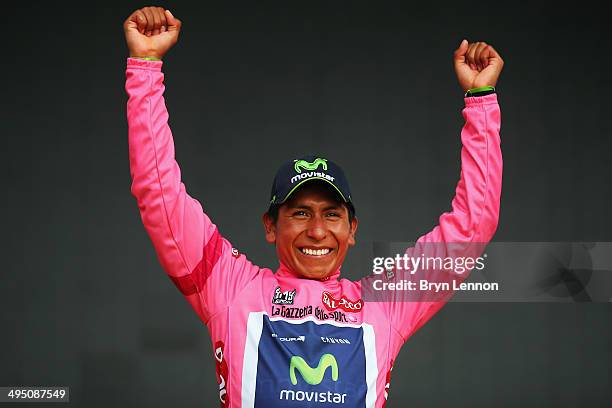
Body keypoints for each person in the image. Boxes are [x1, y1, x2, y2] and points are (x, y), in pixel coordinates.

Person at [124, 6, 503, 407]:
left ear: (352, 230)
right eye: (300, 212)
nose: (317, 230)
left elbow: (472, 226)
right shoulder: (230, 289)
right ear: (271, 226)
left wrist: (481, 100)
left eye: (332, 214)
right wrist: (146, 67)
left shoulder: (385, 305)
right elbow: (158, 191)